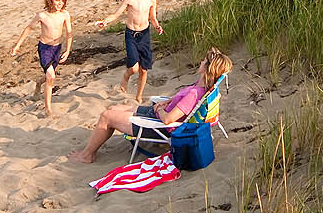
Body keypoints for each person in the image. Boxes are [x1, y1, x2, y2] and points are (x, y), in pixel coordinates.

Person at [69, 48, 232, 163]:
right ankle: (91, 148)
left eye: (204, 61)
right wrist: (168, 101)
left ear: (207, 68)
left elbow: (168, 120)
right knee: (114, 108)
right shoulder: (200, 86)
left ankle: (87, 155)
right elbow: (182, 102)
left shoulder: (194, 94)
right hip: (158, 114)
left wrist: (160, 109)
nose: (201, 61)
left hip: (159, 125)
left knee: (106, 116)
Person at [90, 0, 160, 101]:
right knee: (133, 68)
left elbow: (153, 18)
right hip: (131, 34)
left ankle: (138, 96)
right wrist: (105, 21)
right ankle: (125, 77)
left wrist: (157, 26)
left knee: (144, 70)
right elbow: (116, 14)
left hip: (144, 34)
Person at [9, 0, 72, 117]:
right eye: (57, 0)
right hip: (45, 49)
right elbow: (28, 28)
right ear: (50, 0)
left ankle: (38, 83)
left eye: (62, 0)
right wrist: (17, 46)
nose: (60, 3)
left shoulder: (65, 14)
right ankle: (48, 109)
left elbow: (69, 33)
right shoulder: (42, 15)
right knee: (51, 76)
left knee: (49, 75)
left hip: (57, 48)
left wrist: (68, 50)